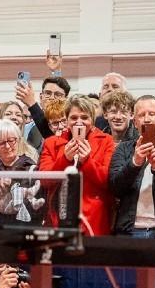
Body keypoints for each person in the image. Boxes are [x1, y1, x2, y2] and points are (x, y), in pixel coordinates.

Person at [38, 94, 116, 236]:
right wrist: (65, 159)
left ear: (92, 120)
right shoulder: (51, 143)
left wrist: (87, 161)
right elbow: (45, 180)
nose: (79, 122)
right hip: (59, 218)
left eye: (84, 117)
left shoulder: (106, 141)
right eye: (73, 118)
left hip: (94, 219)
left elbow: (108, 181)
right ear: (67, 120)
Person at [109, 95, 155, 238]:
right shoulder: (123, 148)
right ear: (135, 122)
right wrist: (135, 163)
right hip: (128, 230)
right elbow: (115, 188)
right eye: (141, 115)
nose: (147, 119)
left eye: (152, 114)